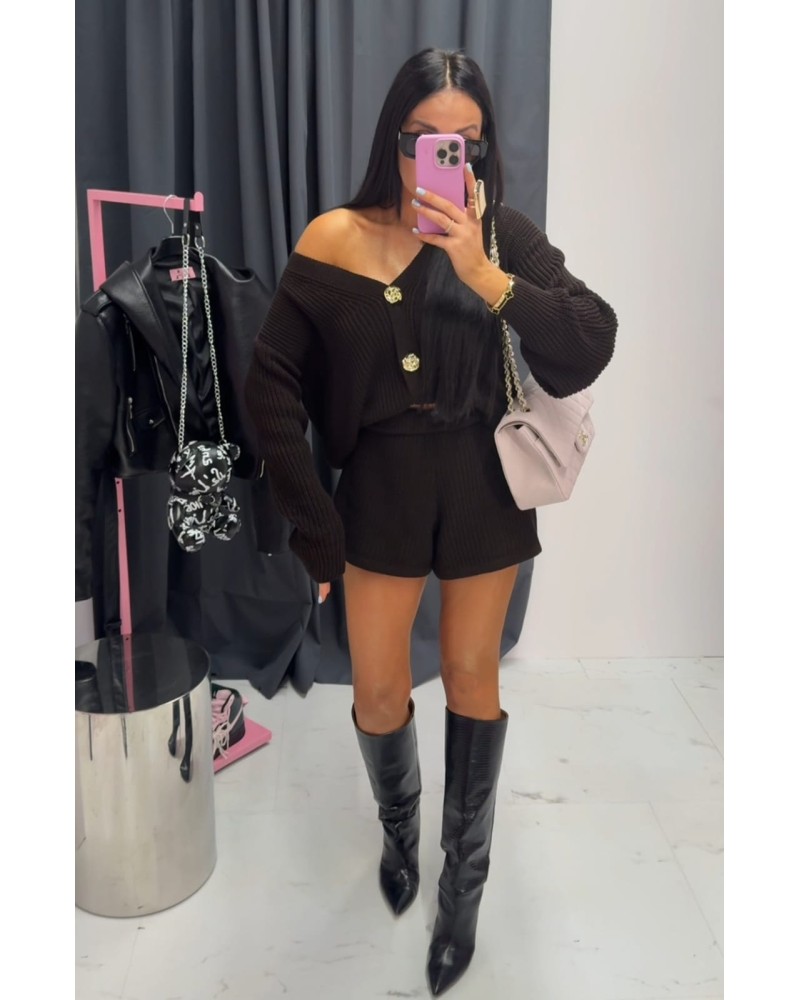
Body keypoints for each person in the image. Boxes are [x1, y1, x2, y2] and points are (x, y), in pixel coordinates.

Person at [245, 47, 617, 996]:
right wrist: (312, 523)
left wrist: (484, 272)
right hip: (382, 484)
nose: (443, 158)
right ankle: (399, 832)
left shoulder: (501, 236)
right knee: (377, 688)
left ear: (480, 151)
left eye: (466, 143)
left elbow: (591, 338)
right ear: (394, 138)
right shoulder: (336, 237)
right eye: (424, 139)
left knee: (470, 674)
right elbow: (271, 381)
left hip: (483, 480)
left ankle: (463, 890)